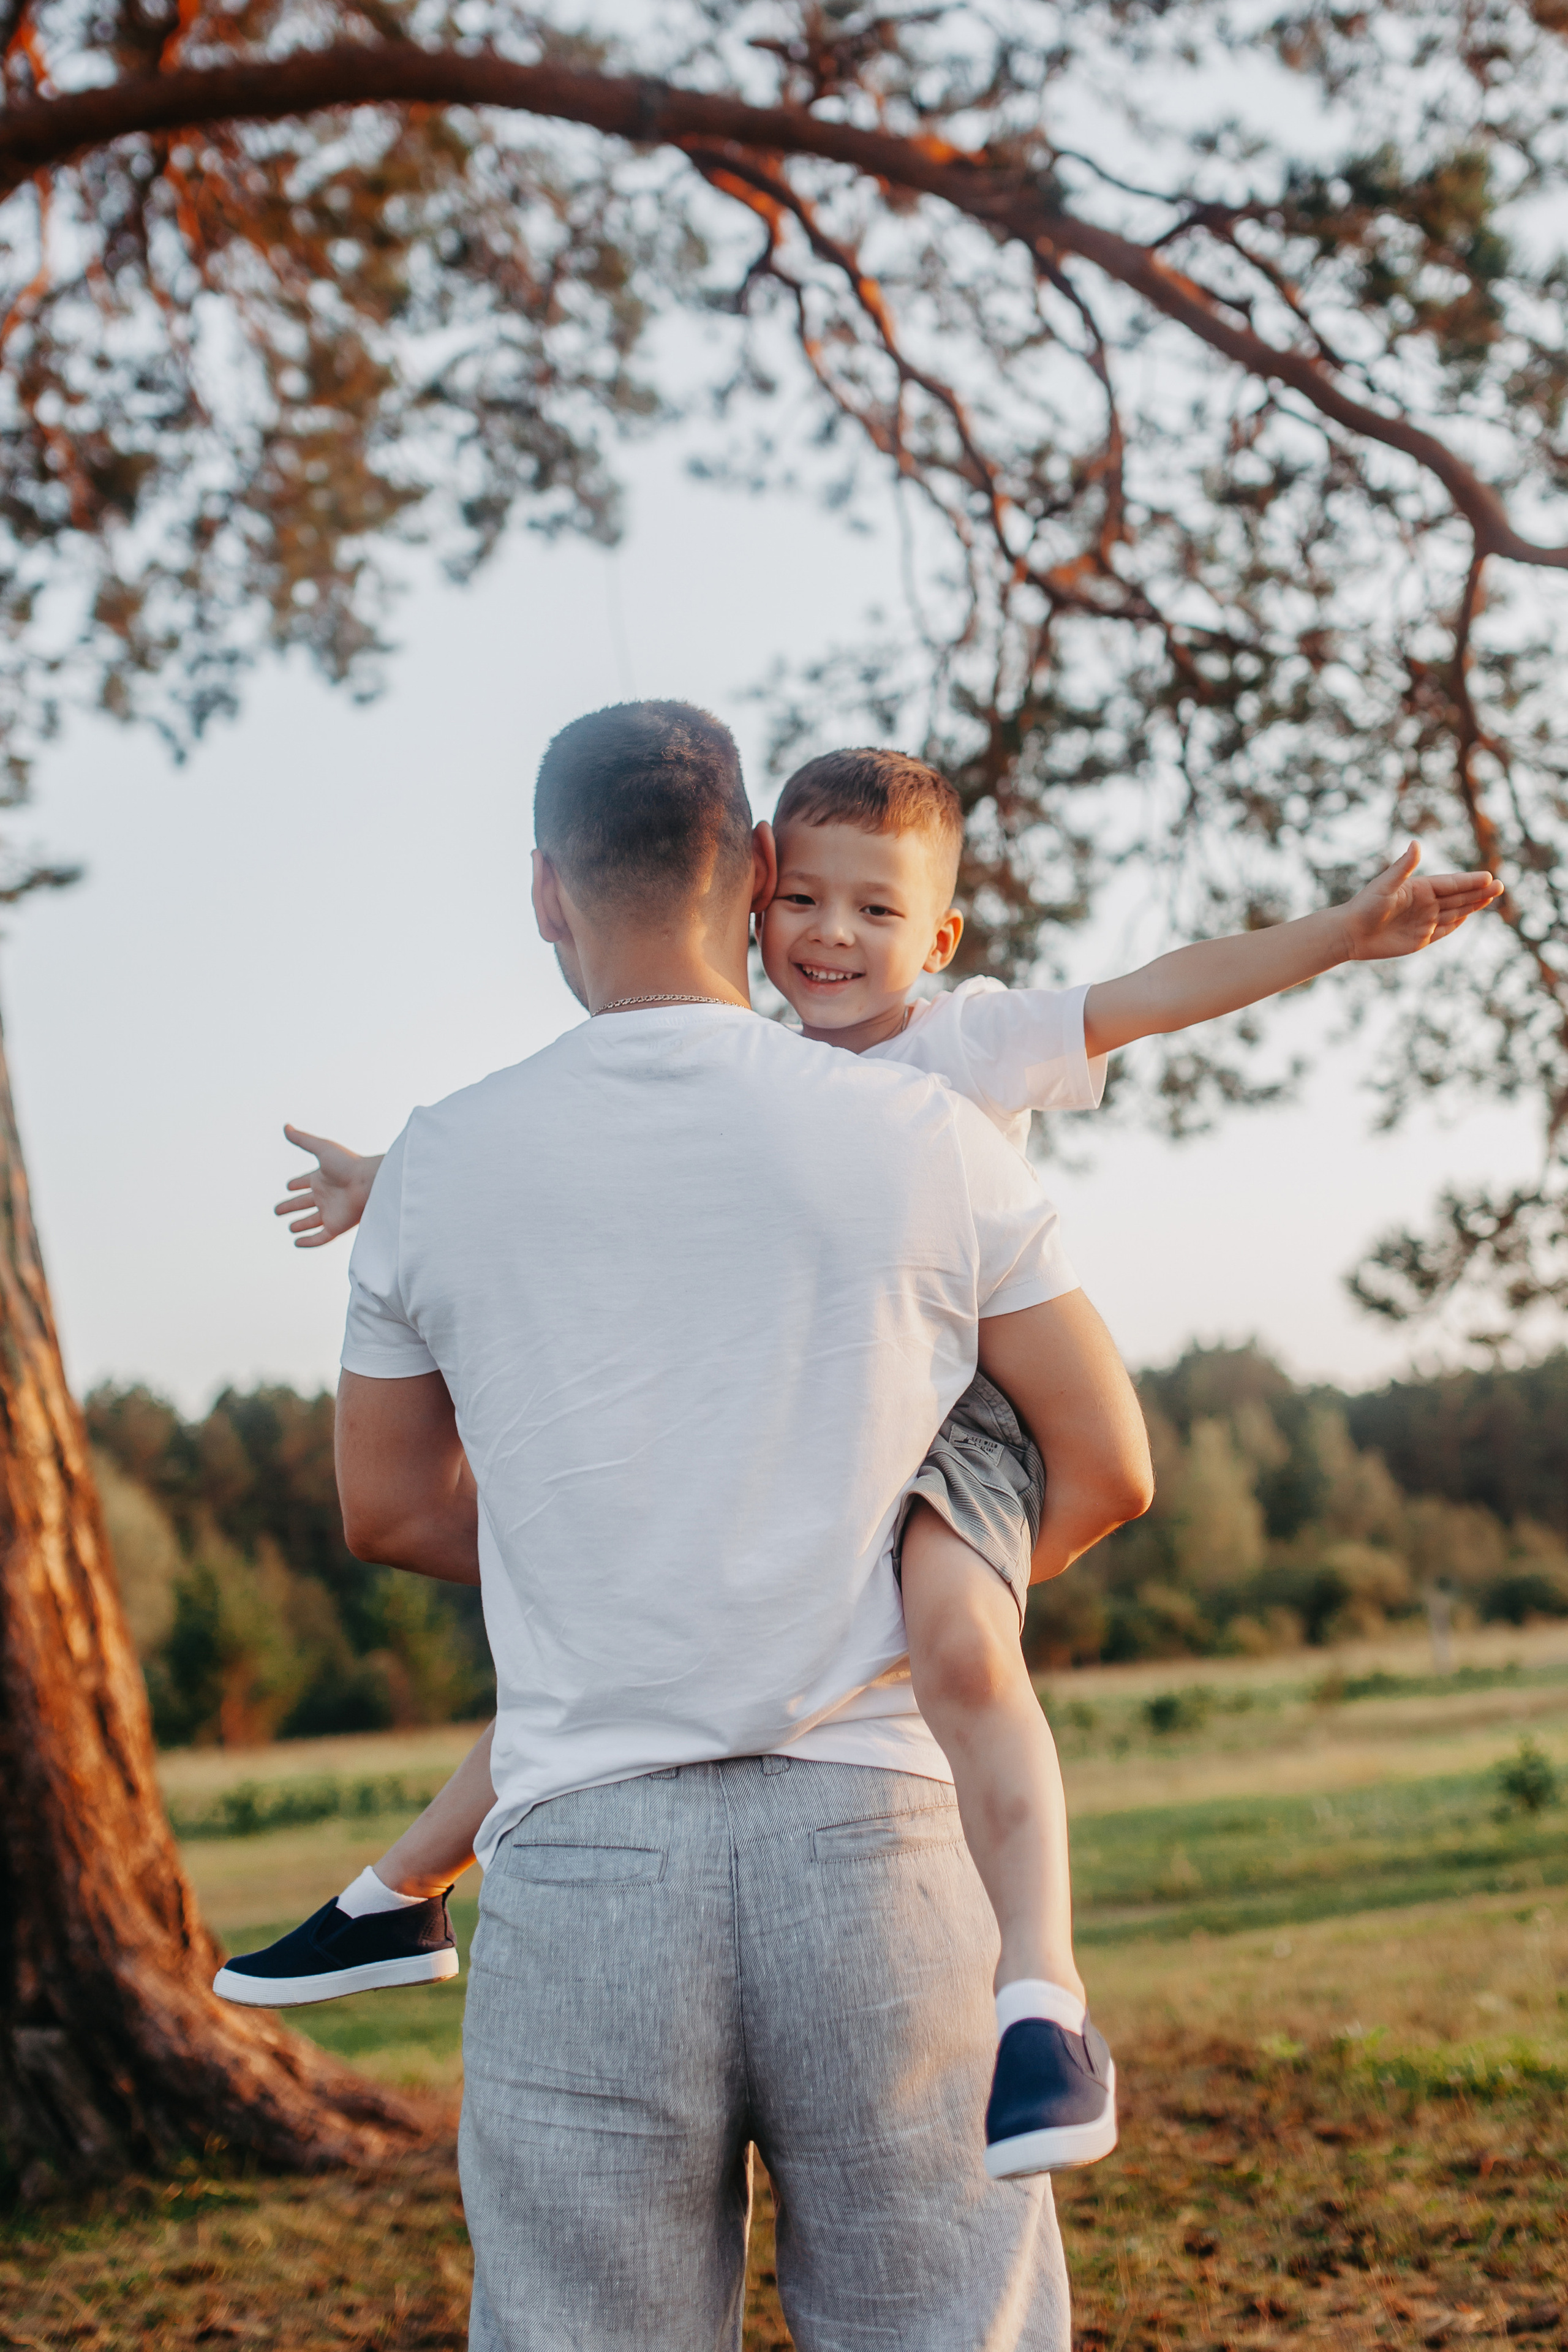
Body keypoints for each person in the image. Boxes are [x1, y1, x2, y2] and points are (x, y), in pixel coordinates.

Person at [219, 737, 1499, 2189]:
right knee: (630, 1600)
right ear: (753, 893)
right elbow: (575, 1157)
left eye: (876, 913)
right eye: (805, 902)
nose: (833, 936)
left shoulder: (966, 1043)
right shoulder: (748, 1072)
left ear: (938, 936)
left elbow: (1155, 993)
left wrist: (1344, 934)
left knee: (953, 1652)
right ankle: (397, 1892)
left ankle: (1043, 1998)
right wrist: (390, 1180)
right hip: (824, 1408)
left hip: (952, 1410)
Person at [281, 698, 1153, 2347]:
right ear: (755, 868)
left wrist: (616, 1548)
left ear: (546, 891)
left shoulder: (436, 1172)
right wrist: (897, 1591)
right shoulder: (926, 1137)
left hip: (588, 1864)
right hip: (889, 1851)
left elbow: (386, 1509)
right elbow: (1107, 1463)